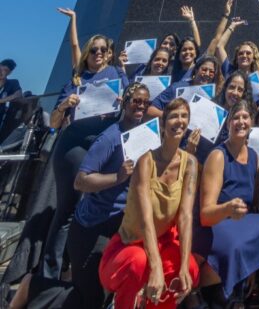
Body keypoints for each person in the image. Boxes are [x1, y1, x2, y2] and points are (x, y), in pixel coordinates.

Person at [7, 85, 152, 309]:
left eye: (145, 102)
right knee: (88, 297)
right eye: (136, 101)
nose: (141, 106)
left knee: (101, 296)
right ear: (124, 103)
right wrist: (117, 176)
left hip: (120, 225)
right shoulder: (109, 137)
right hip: (93, 226)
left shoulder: (145, 137)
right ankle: (33, 286)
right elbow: (81, 181)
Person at [98, 97, 199, 309]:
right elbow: (145, 220)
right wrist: (156, 267)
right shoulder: (146, 161)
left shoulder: (190, 163)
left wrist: (182, 264)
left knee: (189, 268)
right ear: (162, 125)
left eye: (184, 116)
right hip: (131, 243)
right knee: (138, 262)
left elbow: (186, 216)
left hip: (163, 241)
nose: (180, 121)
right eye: (174, 116)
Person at [43, 33, 128, 279]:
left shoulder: (118, 76)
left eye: (103, 49)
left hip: (107, 148)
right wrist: (63, 106)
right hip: (75, 147)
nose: (98, 53)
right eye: (93, 50)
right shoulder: (76, 80)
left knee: (98, 208)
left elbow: (133, 105)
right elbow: (55, 123)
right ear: (87, 54)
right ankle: (50, 273)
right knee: (67, 209)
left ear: (110, 53)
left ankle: (79, 267)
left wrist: (124, 102)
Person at [194, 100, 259, 308]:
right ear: (228, 124)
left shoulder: (253, 156)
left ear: (252, 123)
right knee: (235, 245)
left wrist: (252, 264)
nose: (241, 122)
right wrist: (226, 209)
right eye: (236, 117)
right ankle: (200, 291)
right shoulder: (218, 156)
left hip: (240, 223)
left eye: (245, 117)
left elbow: (252, 206)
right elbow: (206, 215)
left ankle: (241, 286)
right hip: (216, 224)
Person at [149, 54, 221, 116]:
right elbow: (151, 110)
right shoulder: (177, 88)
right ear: (196, 70)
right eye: (204, 70)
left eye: (211, 72)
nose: (207, 74)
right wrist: (172, 116)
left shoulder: (216, 97)